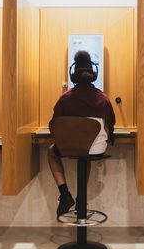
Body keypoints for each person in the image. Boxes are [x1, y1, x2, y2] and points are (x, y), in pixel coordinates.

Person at [48, 50, 116, 216]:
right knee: (87, 155)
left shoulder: (65, 99)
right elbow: (111, 123)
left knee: (51, 152)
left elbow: (54, 127)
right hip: (96, 149)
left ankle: (64, 193)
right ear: (93, 73)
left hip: (70, 147)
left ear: (73, 74)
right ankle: (81, 198)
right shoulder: (103, 99)